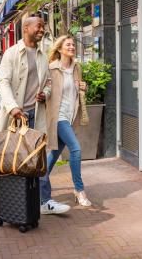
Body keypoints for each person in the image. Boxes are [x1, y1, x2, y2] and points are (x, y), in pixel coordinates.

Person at [0, 16, 71, 214]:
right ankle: (8, 191)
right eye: (39, 26)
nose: (42, 29)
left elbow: (47, 82)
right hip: (16, 115)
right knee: (13, 156)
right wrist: (12, 107)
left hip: (35, 115)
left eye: (43, 27)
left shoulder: (42, 56)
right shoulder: (11, 54)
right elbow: (2, 81)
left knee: (38, 159)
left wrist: (44, 93)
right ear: (26, 28)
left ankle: (44, 201)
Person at [40, 35, 91, 213]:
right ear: (60, 49)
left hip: (71, 115)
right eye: (68, 44)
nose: (71, 46)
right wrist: (43, 95)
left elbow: (78, 91)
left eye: (72, 44)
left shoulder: (77, 67)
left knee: (54, 153)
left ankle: (39, 183)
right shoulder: (52, 68)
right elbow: (46, 89)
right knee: (75, 149)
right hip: (58, 115)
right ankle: (79, 190)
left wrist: (84, 88)